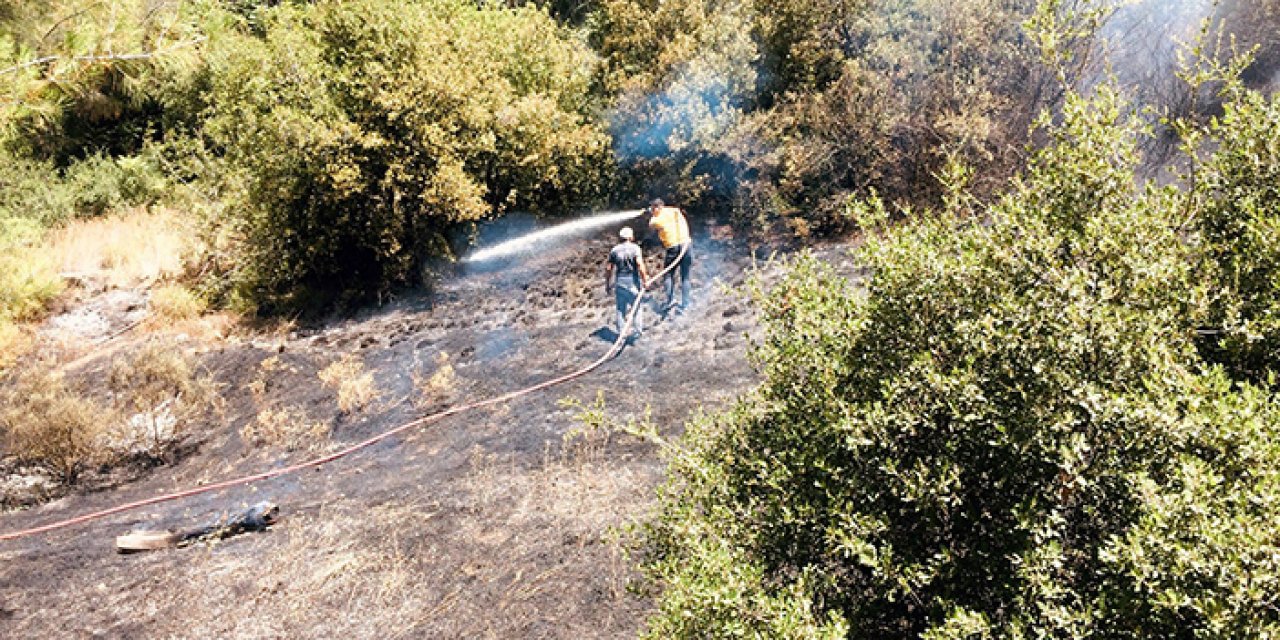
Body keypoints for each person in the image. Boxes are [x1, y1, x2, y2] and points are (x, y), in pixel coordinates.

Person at [646, 198, 692, 315]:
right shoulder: (674, 211)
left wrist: (651, 213)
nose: (652, 210)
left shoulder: (658, 218)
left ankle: (670, 301)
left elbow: (651, 225)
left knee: (668, 275)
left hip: (674, 247)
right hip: (687, 245)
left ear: (658, 207)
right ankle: (686, 303)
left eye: (653, 208)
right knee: (685, 276)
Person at [605, 226, 649, 342]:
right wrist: (645, 280)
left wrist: (608, 284)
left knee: (621, 308)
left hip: (619, 282)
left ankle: (621, 333)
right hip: (632, 282)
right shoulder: (635, 248)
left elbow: (609, 268)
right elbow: (639, 264)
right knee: (636, 306)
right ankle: (637, 332)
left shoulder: (614, 250)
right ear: (630, 237)